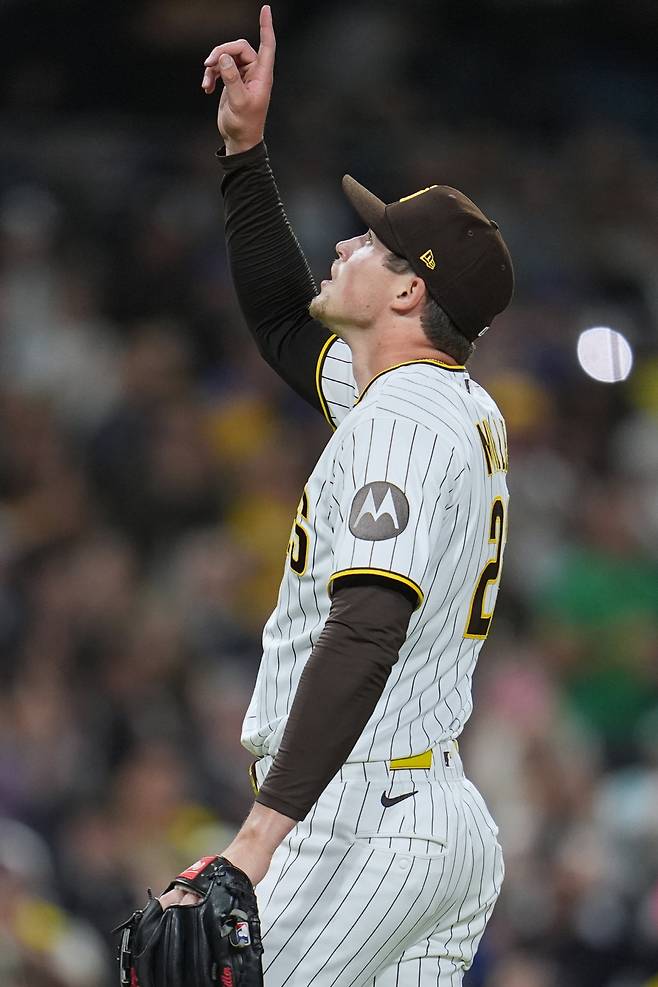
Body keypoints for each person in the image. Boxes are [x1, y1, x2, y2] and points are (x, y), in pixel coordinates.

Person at [162, 6, 514, 984]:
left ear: (409, 293)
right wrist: (245, 151)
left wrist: (255, 843)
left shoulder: (402, 420)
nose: (349, 244)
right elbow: (279, 318)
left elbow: (367, 627)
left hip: (357, 822)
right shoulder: (439, 399)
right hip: (433, 814)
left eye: (373, 241)